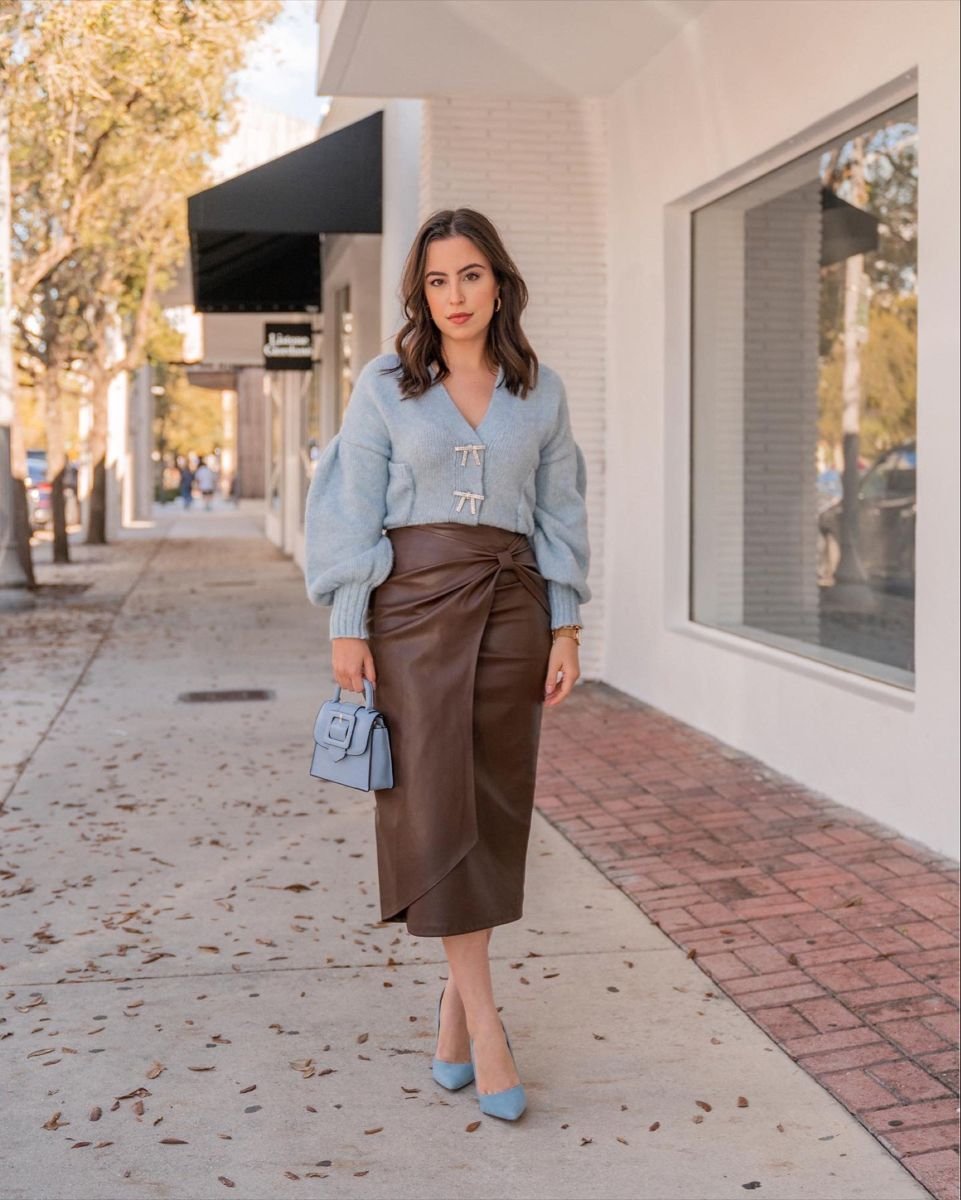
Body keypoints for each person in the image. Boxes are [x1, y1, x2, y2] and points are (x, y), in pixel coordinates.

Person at [303, 207, 590, 1123]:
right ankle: (490, 1025)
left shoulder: (538, 389)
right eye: (436, 280)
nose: (454, 296)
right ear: (419, 293)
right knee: (433, 808)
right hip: (411, 612)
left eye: (469, 275)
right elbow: (350, 504)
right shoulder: (386, 383)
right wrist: (348, 619)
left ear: (497, 282)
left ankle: (453, 1022)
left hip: (513, 610)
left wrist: (566, 623)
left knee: (496, 807)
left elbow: (560, 511)